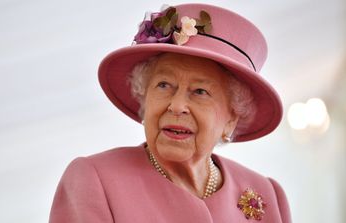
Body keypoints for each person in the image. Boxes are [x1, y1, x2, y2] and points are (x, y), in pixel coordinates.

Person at [49, 3, 291, 223]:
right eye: (164, 85)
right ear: (144, 98)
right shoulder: (94, 180)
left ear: (231, 118)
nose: (176, 106)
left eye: (199, 91)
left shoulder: (266, 194)